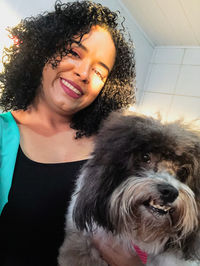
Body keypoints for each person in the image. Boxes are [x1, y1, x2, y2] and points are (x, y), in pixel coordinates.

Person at [0, 1, 144, 265]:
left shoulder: (112, 154)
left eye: (100, 71)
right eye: (74, 53)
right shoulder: (2, 133)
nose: (84, 73)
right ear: (43, 50)